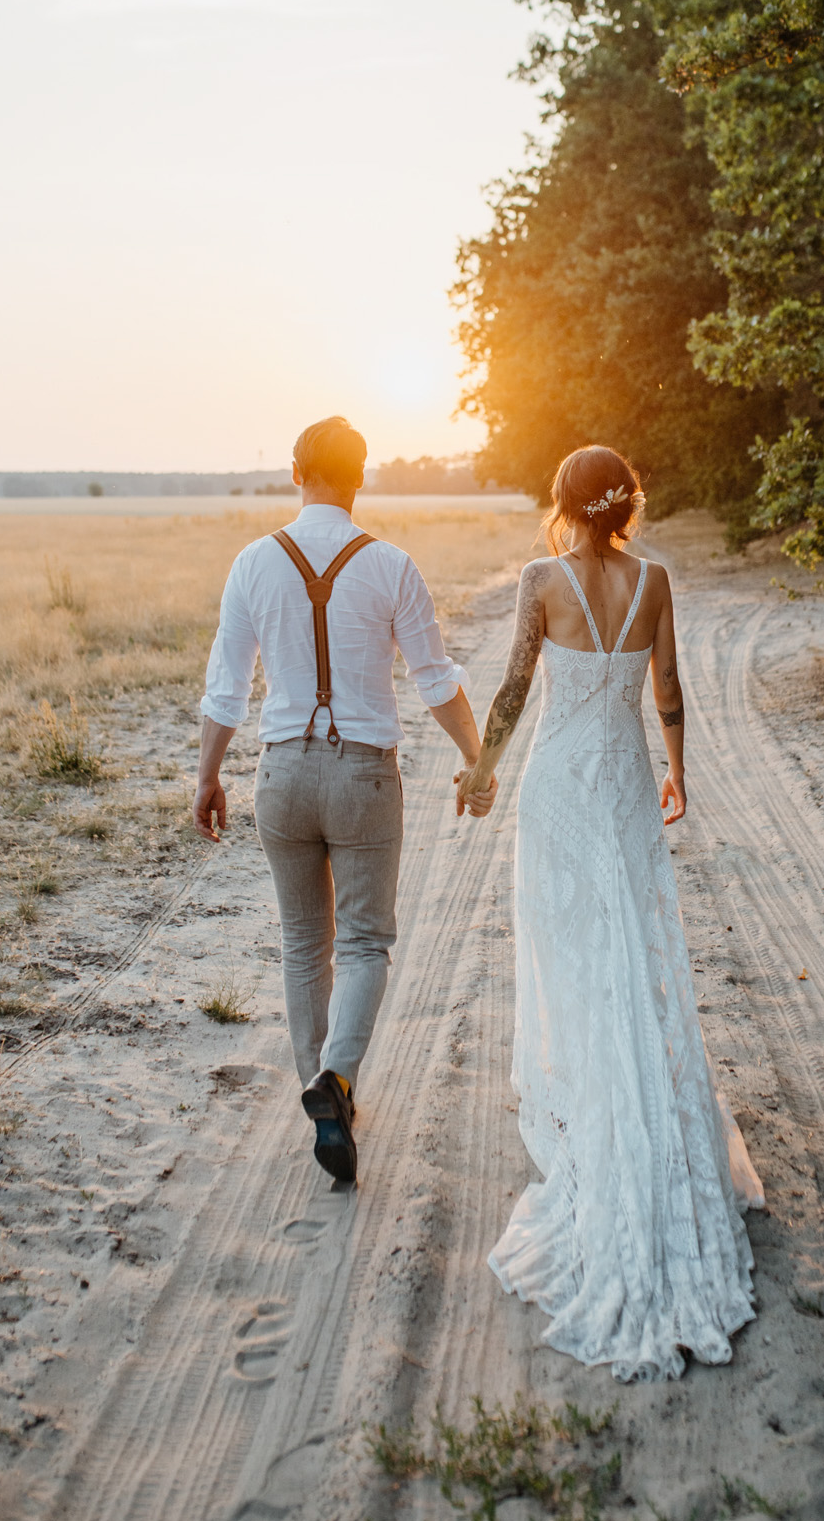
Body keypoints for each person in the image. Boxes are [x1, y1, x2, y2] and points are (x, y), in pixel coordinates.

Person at [456, 444, 764, 1381]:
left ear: (562, 503)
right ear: (626, 503)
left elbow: (513, 685)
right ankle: (638, 1109)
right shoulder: (657, 580)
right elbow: (668, 690)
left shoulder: (541, 578)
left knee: (572, 953)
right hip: (625, 782)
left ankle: (593, 1112)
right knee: (632, 941)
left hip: (557, 785)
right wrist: (677, 769)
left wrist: (482, 768)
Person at [194, 415, 496, 1185]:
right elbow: (434, 680)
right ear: (360, 477)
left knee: (305, 942)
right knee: (363, 943)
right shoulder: (392, 565)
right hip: (364, 775)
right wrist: (475, 757)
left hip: (283, 774)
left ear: (296, 471)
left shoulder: (253, 563)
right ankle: (338, 1080)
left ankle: (328, 1095)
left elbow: (227, 689)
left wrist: (208, 776)